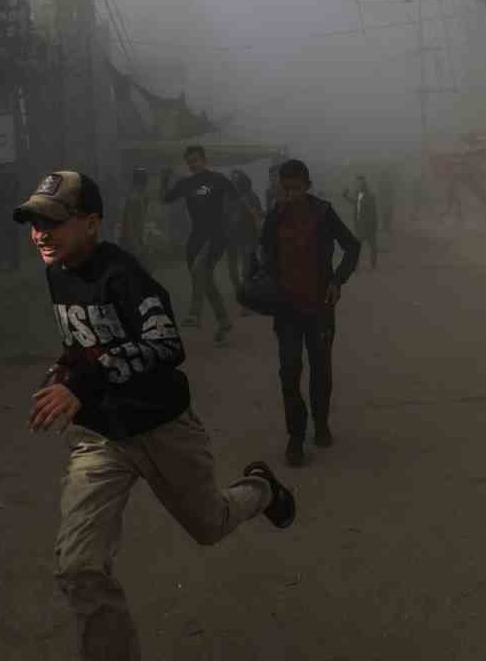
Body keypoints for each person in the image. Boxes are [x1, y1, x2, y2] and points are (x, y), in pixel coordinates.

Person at [16, 170, 296, 661]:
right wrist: (62, 373)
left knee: (210, 525)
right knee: (79, 566)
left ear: (91, 224)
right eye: (34, 222)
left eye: (54, 221)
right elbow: (81, 343)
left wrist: (83, 381)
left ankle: (261, 488)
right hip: (101, 438)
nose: (40, 233)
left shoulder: (124, 276)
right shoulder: (55, 273)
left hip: (163, 428)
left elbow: (166, 344)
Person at [261, 159, 360, 467]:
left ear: (307, 185)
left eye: (295, 188)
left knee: (320, 369)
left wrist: (337, 280)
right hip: (287, 310)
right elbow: (263, 254)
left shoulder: (323, 212)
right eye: (285, 188)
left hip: (320, 307)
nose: (289, 194)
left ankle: (321, 423)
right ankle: (295, 437)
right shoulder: (275, 216)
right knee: (289, 372)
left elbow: (351, 246)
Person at [160, 145, 238, 345]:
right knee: (205, 280)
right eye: (189, 161)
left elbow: (235, 199)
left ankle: (194, 313)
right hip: (197, 236)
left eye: (195, 160)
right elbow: (165, 199)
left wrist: (231, 224)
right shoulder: (185, 183)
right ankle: (223, 321)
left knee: (199, 269)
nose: (193, 164)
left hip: (217, 234)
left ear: (204, 160)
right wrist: (164, 179)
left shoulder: (218, 179)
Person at [224, 170, 264, 308]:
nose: (235, 182)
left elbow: (258, 216)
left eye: (237, 180)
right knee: (232, 268)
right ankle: (240, 292)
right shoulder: (228, 197)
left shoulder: (251, 197)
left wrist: (259, 234)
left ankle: (248, 299)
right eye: (233, 180)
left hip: (248, 236)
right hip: (231, 238)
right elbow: (224, 216)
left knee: (247, 270)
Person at [341, 175, 380, 270]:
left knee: (371, 246)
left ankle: (372, 264)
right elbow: (355, 202)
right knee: (360, 246)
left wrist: (372, 225)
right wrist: (346, 196)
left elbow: (372, 212)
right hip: (360, 225)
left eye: (360, 183)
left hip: (368, 226)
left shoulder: (369, 195)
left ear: (364, 184)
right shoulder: (359, 194)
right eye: (357, 183)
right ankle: (357, 265)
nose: (357, 185)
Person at [116, 167, 150, 261]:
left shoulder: (136, 198)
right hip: (131, 242)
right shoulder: (134, 199)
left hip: (133, 241)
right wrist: (135, 244)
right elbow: (130, 223)